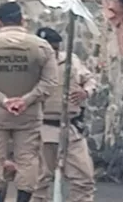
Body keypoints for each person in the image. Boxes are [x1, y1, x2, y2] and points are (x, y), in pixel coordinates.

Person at [0, 1, 58, 202]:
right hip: (29, 114)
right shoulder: (41, 46)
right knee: (28, 160)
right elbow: (50, 82)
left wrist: (3, 100)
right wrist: (26, 100)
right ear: (22, 19)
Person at [31, 27, 97, 202]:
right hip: (42, 128)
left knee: (84, 178)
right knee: (38, 182)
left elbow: (89, 79)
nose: (53, 52)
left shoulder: (71, 60)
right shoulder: (29, 67)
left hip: (70, 128)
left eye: (56, 48)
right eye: (49, 49)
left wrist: (86, 91)